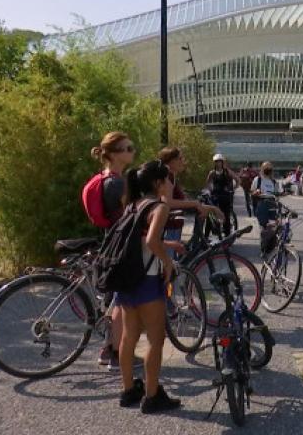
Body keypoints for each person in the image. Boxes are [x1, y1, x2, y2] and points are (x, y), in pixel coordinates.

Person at [116, 159, 181, 414]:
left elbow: (141, 239)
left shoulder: (131, 204)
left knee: (128, 336)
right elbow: (153, 240)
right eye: (167, 180)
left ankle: (128, 390)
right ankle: (152, 396)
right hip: (147, 279)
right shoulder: (159, 206)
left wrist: (167, 248)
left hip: (125, 278)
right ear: (158, 183)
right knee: (156, 339)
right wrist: (168, 263)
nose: (170, 184)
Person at [87, 132, 134, 371]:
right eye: (127, 148)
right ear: (114, 154)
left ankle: (110, 348)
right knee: (120, 301)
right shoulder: (116, 183)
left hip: (110, 244)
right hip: (119, 247)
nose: (132, 152)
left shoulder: (108, 178)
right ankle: (116, 354)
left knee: (114, 300)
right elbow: (125, 219)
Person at [158, 147, 222, 253]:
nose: (183, 161)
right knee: (168, 265)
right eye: (180, 158)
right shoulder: (168, 175)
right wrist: (196, 204)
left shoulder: (171, 176)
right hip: (169, 227)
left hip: (173, 226)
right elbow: (167, 202)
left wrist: (211, 208)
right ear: (171, 161)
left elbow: (181, 202)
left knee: (172, 264)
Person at [206, 153, 236, 235]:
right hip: (215, 196)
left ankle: (227, 235)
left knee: (226, 215)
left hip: (225, 196)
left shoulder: (227, 172)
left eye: (219, 161)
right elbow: (208, 182)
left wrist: (233, 189)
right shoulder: (212, 172)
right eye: (216, 161)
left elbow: (237, 180)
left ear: (222, 162)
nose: (218, 163)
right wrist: (210, 189)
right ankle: (206, 236)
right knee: (211, 215)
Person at [252, 161, 279, 227]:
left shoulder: (274, 181)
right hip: (261, 204)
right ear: (262, 169)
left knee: (274, 226)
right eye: (266, 168)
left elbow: (277, 195)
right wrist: (256, 192)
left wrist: (278, 195)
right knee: (264, 226)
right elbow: (252, 192)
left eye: (269, 168)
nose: (268, 170)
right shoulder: (257, 179)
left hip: (272, 204)